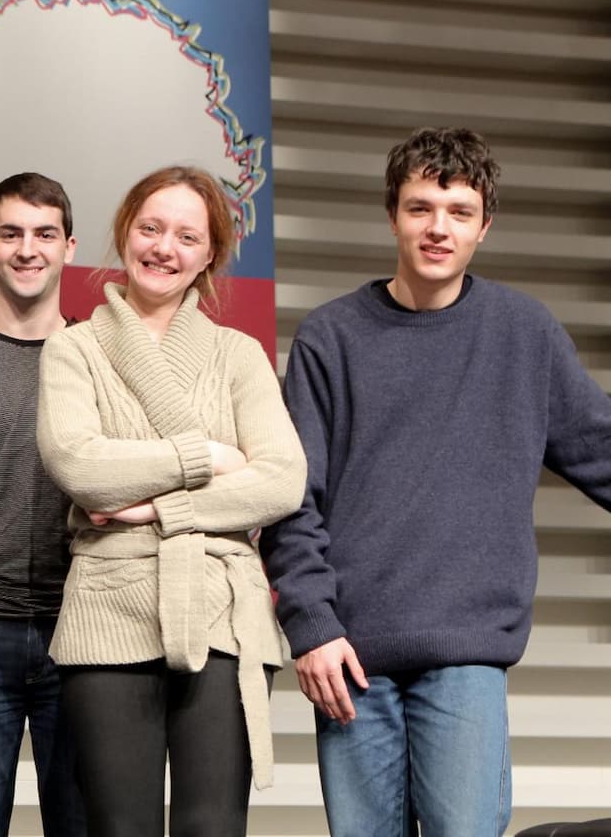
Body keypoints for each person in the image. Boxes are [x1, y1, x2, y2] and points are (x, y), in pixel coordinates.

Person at [261, 127, 611, 837]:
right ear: (392, 214)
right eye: (421, 208)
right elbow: (291, 500)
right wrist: (312, 626)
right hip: (350, 658)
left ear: (486, 225)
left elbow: (603, 449)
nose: (438, 228)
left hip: (467, 659)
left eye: (458, 211)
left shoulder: (524, 334)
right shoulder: (331, 339)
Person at [36, 165, 306, 836]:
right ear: (126, 231)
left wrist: (156, 506)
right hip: (109, 603)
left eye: (188, 236)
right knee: (117, 827)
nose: (164, 248)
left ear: (210, 253)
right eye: (151, 228)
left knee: (211, 827)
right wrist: (206, 459)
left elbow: (280, 479)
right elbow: (78, 463)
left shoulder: (239, 355)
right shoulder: (75, 348)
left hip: (220, 607)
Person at [0, 172, 85, 837]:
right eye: (11, 234)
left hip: (83, 629)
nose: (27, 249)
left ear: (70, 246)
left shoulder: (98, 356)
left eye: (44, 234)